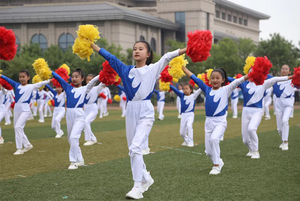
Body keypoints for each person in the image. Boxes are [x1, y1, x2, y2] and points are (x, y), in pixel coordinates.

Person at [91, 41, 187, 199]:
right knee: (132, 150)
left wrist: (188, 49)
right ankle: (146, 178)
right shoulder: (125, 70)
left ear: (148, 54)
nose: (137, 51)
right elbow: (110, 57)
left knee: (136, 147)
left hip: (146, 110)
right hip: (131, 110)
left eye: (141, 49)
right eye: (134, 49)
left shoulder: (153, 69)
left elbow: (168, 56)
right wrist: (93, 46)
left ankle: (137, 187)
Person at [183, 66, 248, 175]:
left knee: (214, 139)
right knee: (208, 152)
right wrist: (184, 69)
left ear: (223, 80)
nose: (215, 80)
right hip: (208, 123)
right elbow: (195, 79)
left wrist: (250, 75)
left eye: (218, 78)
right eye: (212, 78)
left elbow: (239, 81)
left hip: (220, 122)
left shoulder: (226, 89)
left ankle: (216, 166)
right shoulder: (207, 89)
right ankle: (219, 161)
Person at [229, 69, 292, 159]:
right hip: (246, 111)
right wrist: (220, 75)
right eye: (249, 72)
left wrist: (289, 77)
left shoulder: (263, 83)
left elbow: (275, 79)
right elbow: (232, 80)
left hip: (257, 111)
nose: (251, 74)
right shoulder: (244, 83)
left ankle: (256, 151)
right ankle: (251, 150)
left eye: (253, 72)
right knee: (245, 139)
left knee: (251, 129)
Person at [52, 68, 100, 169]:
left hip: (79, 115)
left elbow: (93, 82)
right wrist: (47, 70)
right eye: (72, 77)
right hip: (69, 114)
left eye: (77, 76)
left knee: (74, 137)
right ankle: (80, 159)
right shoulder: (68, 87)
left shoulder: (85, 88)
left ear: (82, 78)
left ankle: (73, 161)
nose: (74, 78)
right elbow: (58, 78)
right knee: (70, 139)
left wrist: (103, 73)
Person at [0, 70, 50, 155]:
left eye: (23, 77)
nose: (21, 79)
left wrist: (50, 80)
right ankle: (27, 145)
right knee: (17, 127)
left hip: (25, 109)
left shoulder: (31, 86)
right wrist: (1, 75)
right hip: (17, 108)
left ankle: (19, 148)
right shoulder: (17, 85)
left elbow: (41, 83)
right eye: (20, 77)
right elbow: (8, 80)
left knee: (18, 127)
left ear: (28, 77)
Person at [170, 83, 202, 147]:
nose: (185, 90)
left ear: (191, 90)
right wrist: (168, 84)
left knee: (189, 126)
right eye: (183, 89)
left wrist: (204, 82)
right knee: (182, 133)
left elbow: (200, 89)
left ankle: (191, 142)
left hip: (190, 114)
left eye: (187, 89)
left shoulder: (193, 95)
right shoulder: (181, 95)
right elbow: (174, 89)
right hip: (183, 115)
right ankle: (186, 141)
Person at [273, 65, 296, 150]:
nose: (284, 70)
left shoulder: (293, 80)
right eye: (282, 68)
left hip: (288, 104)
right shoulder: (276, 80)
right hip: (278, 104)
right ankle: (283, 141)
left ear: (289, 71)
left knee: (285, 120)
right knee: (279, 128)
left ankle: (285, 142)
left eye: (286, 69)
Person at [83, 74, 105, 146]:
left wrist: (105, 74)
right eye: (87, 80)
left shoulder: (96, 88)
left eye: (90, 80)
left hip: (93, 108)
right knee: (84, 124)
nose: (89, 81)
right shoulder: (84, 88)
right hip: (85, 108)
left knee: (86, 122)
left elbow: (104, 83)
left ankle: (89, 140)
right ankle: (93, 138)